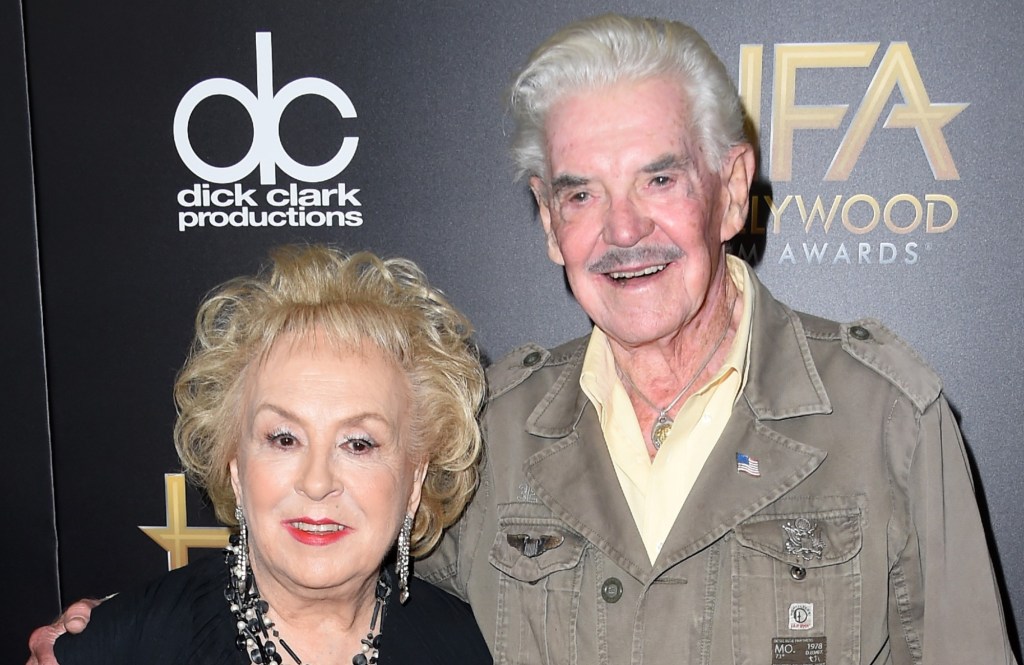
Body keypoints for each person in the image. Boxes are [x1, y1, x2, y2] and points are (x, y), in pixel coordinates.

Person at [29, 13, 1019, 665]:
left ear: (729, 189)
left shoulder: (883, 417)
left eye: (659, 178)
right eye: (582, 193)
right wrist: (126, 631)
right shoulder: (490, 426)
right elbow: (326, 564)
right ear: (548, 221)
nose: (622, 230)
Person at [36, 245, 492, 665]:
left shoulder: (469, 648)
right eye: (284, 439)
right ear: (235, 466)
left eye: (358, 444)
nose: (317, 483)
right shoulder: (117, 648)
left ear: (414, 481)